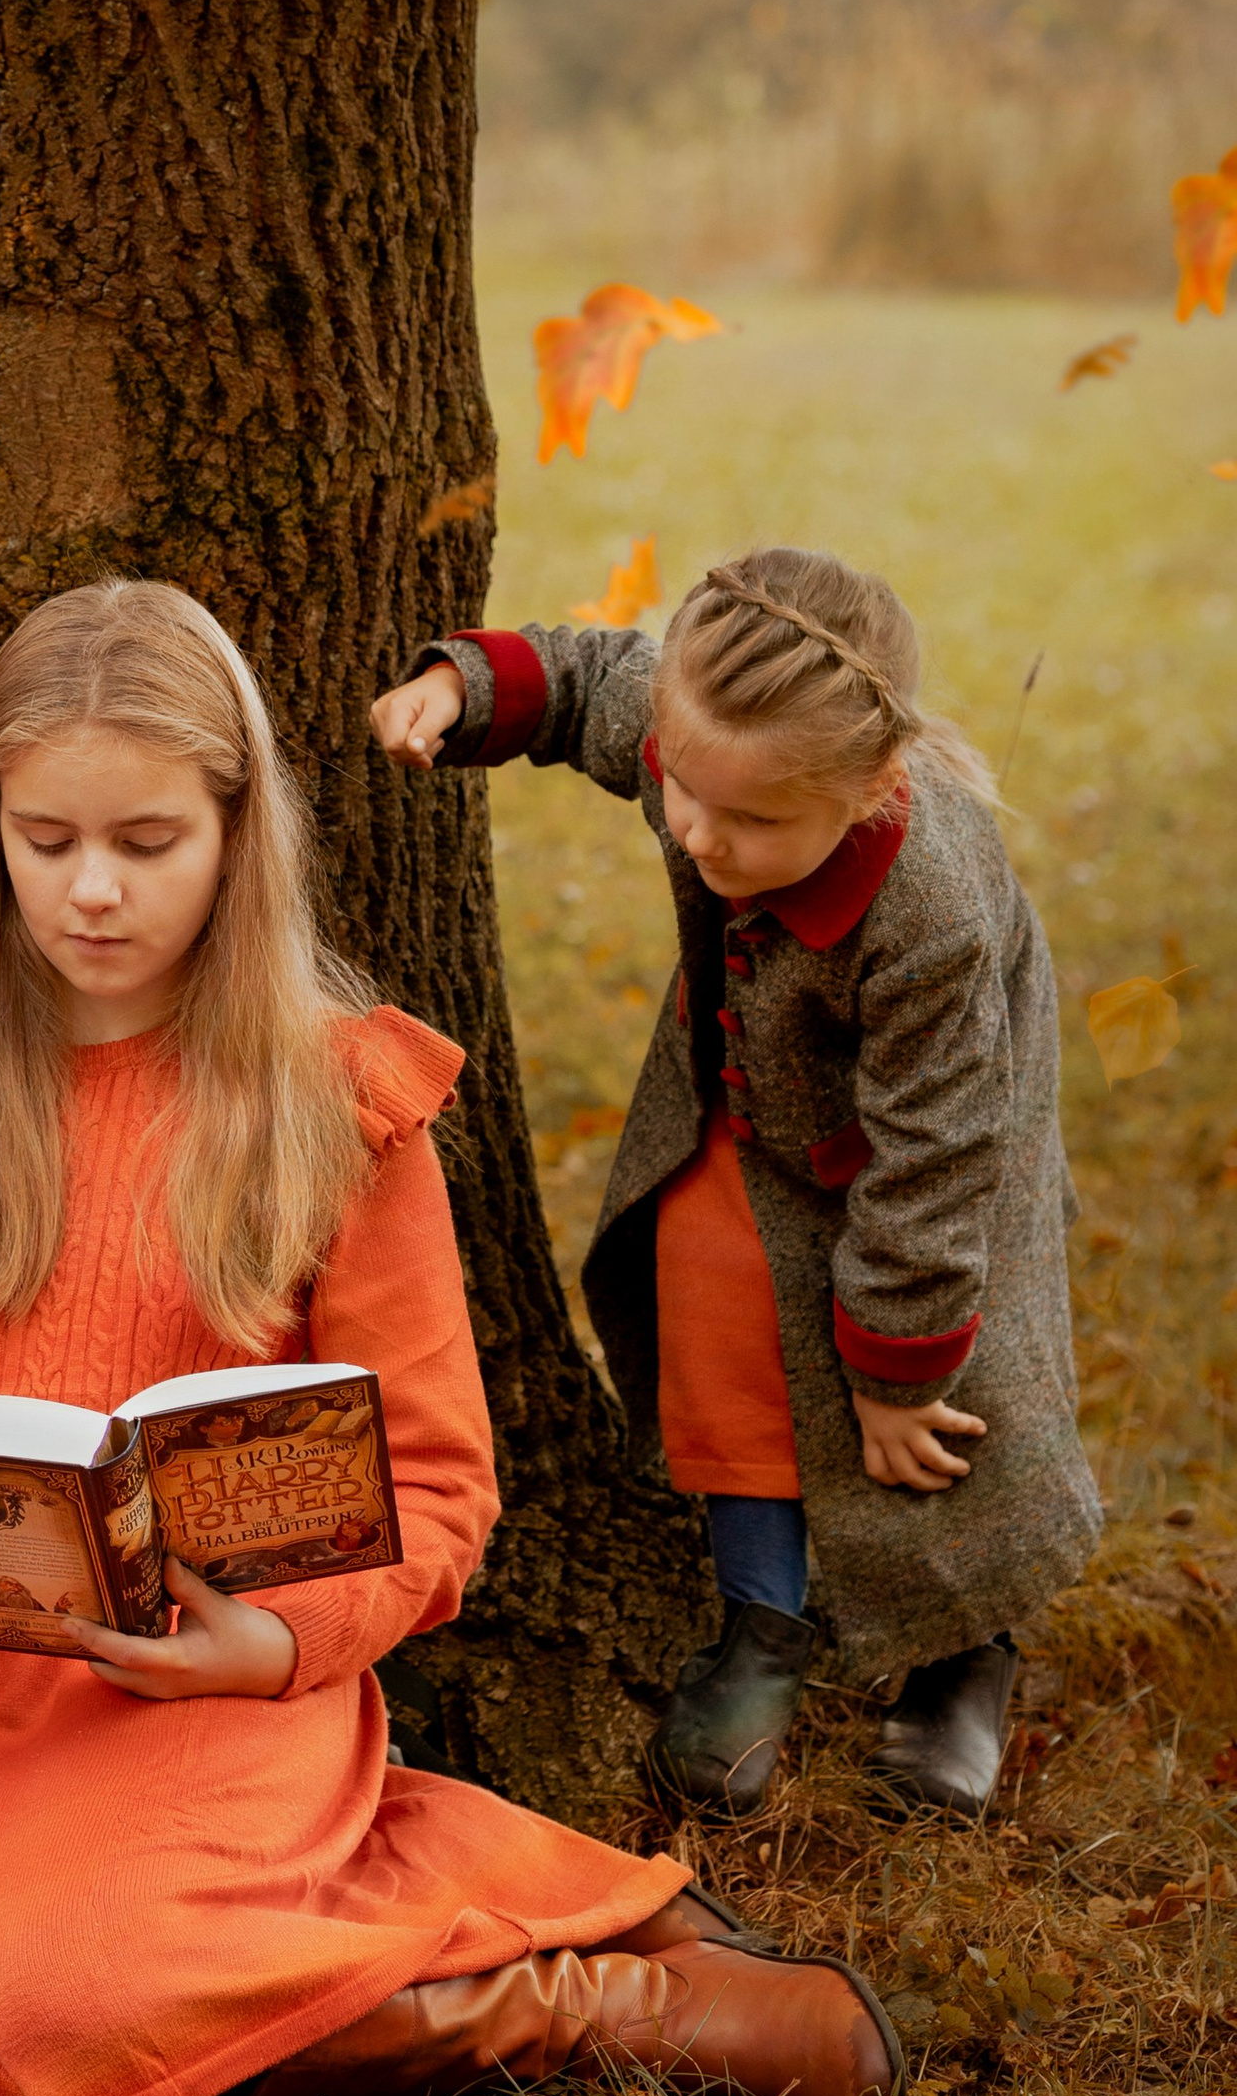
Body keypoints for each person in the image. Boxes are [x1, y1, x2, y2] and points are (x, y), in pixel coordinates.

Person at [0, 581, 897, 2096]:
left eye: (149, 842)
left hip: (212, 1668)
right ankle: (474, 1877)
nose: (91, 893)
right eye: (46, 838)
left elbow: (441, 1487)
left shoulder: (334, 1102)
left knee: (82, 2006)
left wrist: (269, 1644)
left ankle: (590, 2000)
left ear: (237, 827)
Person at [372, 548, 1098, 1825]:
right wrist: (464, 689)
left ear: (868, 789)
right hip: (756, 1098)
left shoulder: (933, 916)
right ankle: (763, 1623)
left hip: (943, 1139)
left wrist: (893, 1369)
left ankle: (960, 1651)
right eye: (681, 789)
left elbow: (935, 1158)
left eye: (750, 822)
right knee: (718, 1311)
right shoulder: (711, 759)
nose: (699, 833)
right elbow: (598, 681)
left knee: (947, 1402)